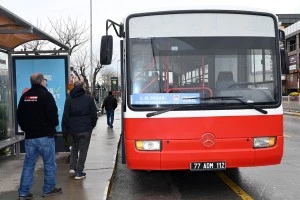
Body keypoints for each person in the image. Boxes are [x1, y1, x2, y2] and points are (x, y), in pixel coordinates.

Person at [17, 73, 62, 200]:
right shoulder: (46, 95)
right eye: (44, 81)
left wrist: (26, 129)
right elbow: (53, 116)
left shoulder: (25, 96)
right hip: (45, 137)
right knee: (49, 164)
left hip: (30, 137)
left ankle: (23, 192)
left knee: (29, 164)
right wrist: (52, 127)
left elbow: (19, 116)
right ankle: (48, 189)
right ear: (42, 81)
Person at [62, 81, 98, 180]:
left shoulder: (69, 99)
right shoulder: (89, 98)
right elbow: (94, 114)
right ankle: (79, 172)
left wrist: (66, 129)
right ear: (82, 87)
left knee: (74, 148)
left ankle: (72, 168)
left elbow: (65, 116)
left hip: (73, 130)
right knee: (83, 150)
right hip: (86, 129)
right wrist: (91, 126)